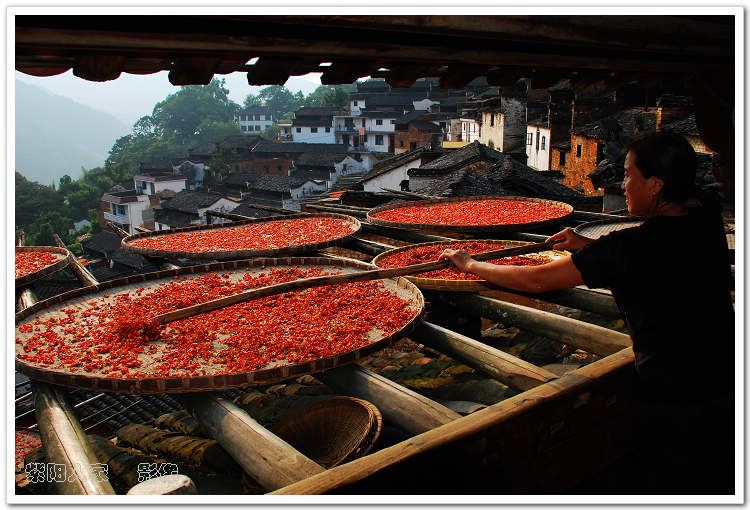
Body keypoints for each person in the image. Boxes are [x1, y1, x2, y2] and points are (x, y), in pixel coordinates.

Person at [439, 132, 734, 495]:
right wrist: (587, 245)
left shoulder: (630, 246)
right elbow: (659, 258)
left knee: (675, 474)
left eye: (628, 175)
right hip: (724, 366)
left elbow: (537, 281)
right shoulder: (703, 213)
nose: (622, 184)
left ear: (656, 184)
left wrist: (471, 264)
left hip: (673, 384)